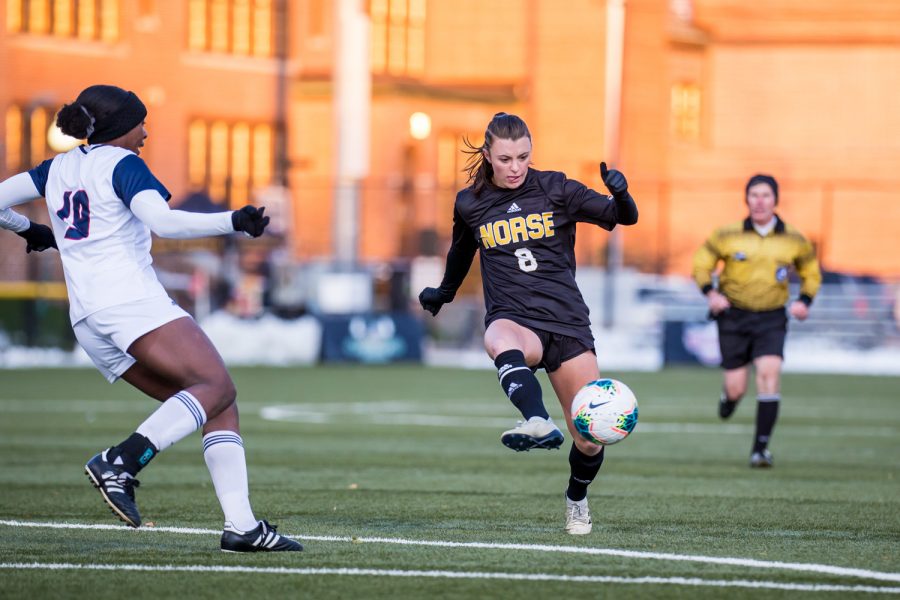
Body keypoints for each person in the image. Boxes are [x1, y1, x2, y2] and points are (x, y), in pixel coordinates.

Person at [0, 84, 301, 552]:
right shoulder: (123, 165)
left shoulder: (57, 167)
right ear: (121, 126)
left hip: (89, 319)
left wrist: (35, 230)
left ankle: (241, 526)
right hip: (130, 304)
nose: (146, 131)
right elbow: (165, 223)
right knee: (217, 386)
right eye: (140, 121)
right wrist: (234, 222)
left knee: (215, 403)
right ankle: (120, 461)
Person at [418, 113, 638, 535]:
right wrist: (443, 293)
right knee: (497, 336)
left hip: (567, 323)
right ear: (488, 155)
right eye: (505, 158)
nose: (515, 166)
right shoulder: (471, 202)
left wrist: (622, 195)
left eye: (523, 156)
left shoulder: (557, 188)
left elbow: (622, 217)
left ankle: (576, 496)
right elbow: (462, 252)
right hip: (515, 316)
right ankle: (536, 419)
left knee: (590, 439)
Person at [692, 174, 821, 468]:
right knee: (737, 387)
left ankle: (760, 450)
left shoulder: (794, 239)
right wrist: (711, 293)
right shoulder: (726, 234)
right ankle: (729, 399)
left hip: (772, 318)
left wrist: (805, 300)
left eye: (766, 195)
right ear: (746, 199)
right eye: (754, 195)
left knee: (769, 372)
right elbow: (701, 263)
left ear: (776, 200)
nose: (760, 201)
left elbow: (811, 271)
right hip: (733, 317)